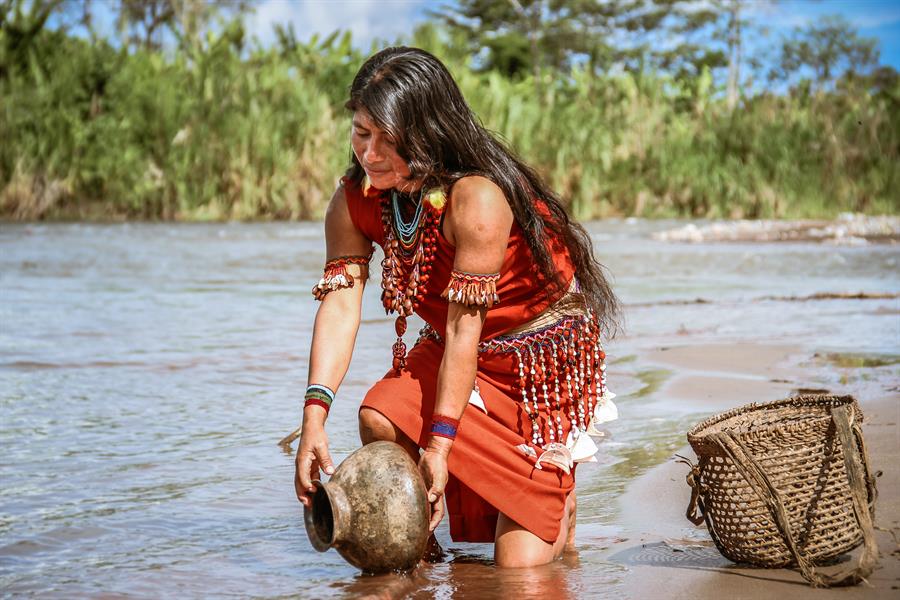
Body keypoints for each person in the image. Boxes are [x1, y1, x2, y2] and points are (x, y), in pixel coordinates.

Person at [294, 46, 619, 568]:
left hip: (534, 367)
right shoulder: (354, 200)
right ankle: (419, 561)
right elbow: (339, 307)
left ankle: (553, 494)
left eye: (388, 139)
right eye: (361, 133)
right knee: (379, 415)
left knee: (518, 572)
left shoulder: (477, 200)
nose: (369, 154)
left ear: (427, 132)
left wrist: (439, 449)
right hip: (453, 346)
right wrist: (313, 417)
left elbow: (467, 332)